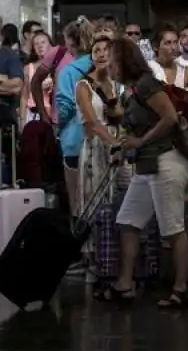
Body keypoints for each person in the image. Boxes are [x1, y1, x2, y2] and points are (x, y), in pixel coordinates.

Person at [97, 37, 188, 309]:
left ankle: (181, 288)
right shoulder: (131, 89)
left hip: (165, 161)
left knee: (173, 227)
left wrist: (140, 141)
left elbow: (170, 118)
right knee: (128, 220)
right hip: (148, 165)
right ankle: (125, 283)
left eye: (112, 60)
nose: (109, 65)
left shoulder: (146, 84)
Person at [75, 37, 122, 280]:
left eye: (106, 50)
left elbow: (119, 115)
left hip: (114, 144)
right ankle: (91, 258)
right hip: (96, 146)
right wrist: (114, 143)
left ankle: (110, 256)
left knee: (113, 201)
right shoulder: (83, 85)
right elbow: (92, 122)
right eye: (97, 51)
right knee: (93, 199)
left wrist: (109, 95)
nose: (102, 54)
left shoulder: (114, 84)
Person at [55, 18, 97, 219]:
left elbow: (64, 108)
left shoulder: (68, 71)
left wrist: (56, 123)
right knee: (98, 200)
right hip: (100, 139)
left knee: (77, 204)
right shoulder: (101, 67)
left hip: (74, 140)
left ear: (72, 42)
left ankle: (82, 248)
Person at [148, 24, 188, 97]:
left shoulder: (187, 73)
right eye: (168, 43)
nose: (173, 47)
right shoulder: (148, 70)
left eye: (175, 42)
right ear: (155, 47)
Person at [19, 31, 53, 129]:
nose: (40, 46)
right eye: (36, 44)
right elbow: (24, 96)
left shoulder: (57, 66)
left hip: (51, 114)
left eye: (43, 42)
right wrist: (22, 120)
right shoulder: (28, 68)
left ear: (50, 45)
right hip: (32, 114)